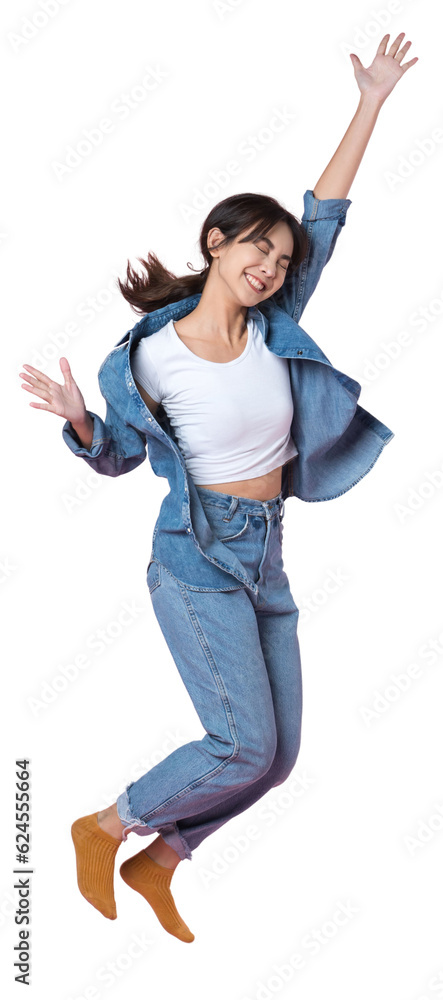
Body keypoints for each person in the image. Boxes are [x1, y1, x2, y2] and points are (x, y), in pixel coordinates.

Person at [19, 32, 418, 944]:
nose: (273, 265)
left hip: (267, 548)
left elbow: (327, 212)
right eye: (256, 249)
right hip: (194, 555)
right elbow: (119, 457)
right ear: (217, 242)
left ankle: (160, 859)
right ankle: (106, 823)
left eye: (281, 257)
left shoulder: (278, 321)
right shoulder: (148, 356)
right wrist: (81, 419)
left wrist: (372, 101)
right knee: (239, 744)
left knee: (274, 762)